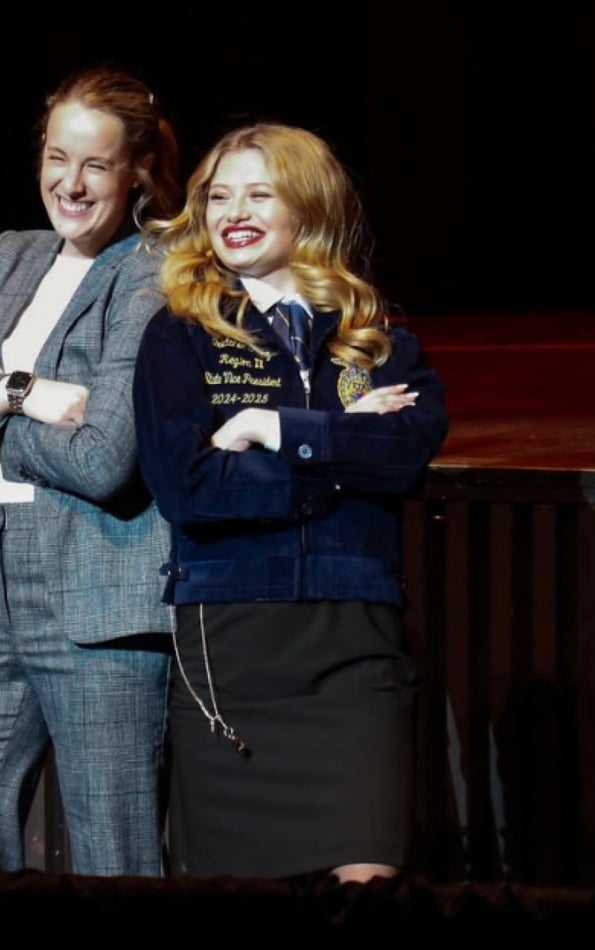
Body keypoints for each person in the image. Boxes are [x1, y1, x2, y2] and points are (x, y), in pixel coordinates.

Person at [0, 66, 181, 876]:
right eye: (57, 158)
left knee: (113, 864)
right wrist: (24, 392)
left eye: (94, 165)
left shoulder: (155, 270)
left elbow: (105, 457)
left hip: (94, 591)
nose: (70, 184)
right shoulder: (10, 255)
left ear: (136, 172)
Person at [132, 123, 448, 882]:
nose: (232, 212)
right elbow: (190, 488)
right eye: (217, 195)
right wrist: (341, 447)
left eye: (258, 194)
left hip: (353, 642)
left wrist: (274, 428)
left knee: (367, 885)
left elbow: (405, 455)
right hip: (231, 644)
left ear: (307, 208)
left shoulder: (377, 345)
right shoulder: (180, 337)